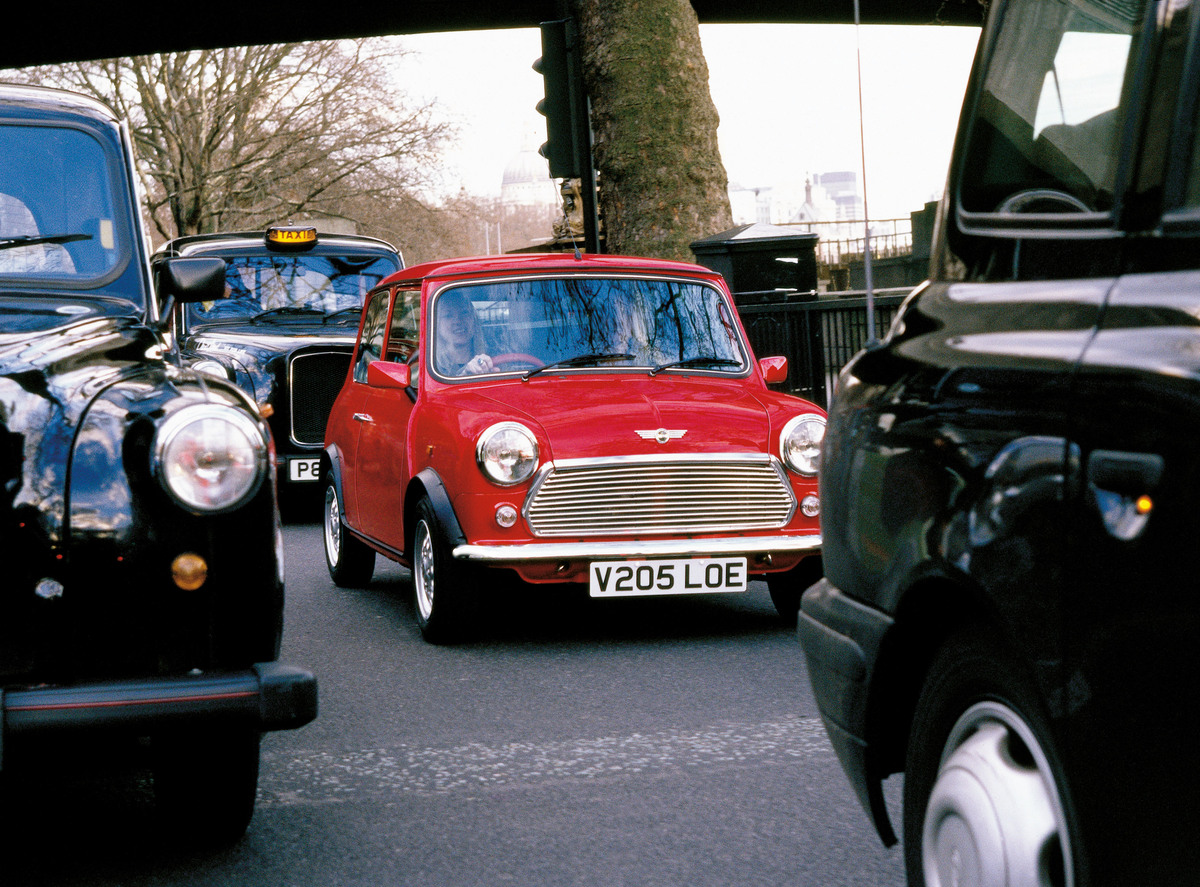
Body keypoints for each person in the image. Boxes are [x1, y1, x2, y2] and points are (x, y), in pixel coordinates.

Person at [435, 289, 493, 375]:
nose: (457, 321)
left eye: (464, 312)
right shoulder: (430, 365)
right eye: (448, 315)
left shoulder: (494, 353)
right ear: (437, 324)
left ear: (474, 319)